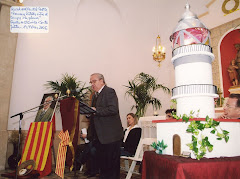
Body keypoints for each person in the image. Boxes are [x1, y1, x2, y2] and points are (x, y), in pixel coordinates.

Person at [89, 73, 123, 179]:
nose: (92, 84)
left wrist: (96, 111)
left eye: (94, 81)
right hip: (100, 136)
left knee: (111, 167)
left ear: (101, 81)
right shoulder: (95, 96)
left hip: (111, 136)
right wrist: (88, 113)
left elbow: (113, 109)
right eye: (91, 82)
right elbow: (96, 113)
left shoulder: (109, 91)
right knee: (103, 166)